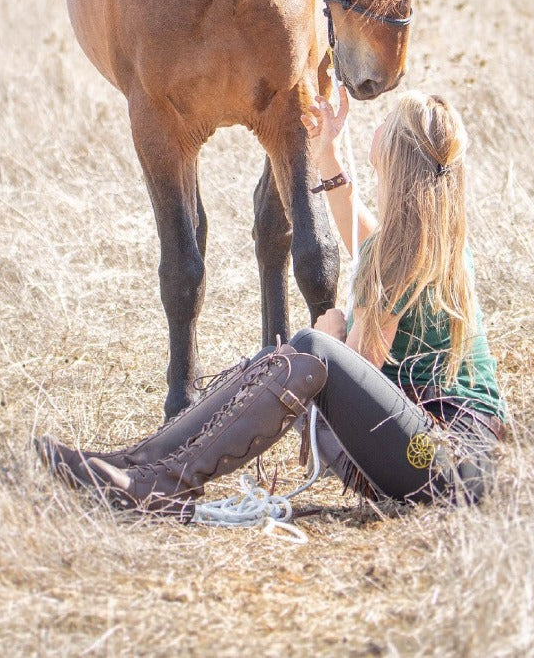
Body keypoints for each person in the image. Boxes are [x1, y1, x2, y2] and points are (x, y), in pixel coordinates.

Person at [37, 88, 505, 519]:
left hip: (443, 462)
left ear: (395, 158)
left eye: (387, 120)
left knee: (310, 348)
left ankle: (161, 484)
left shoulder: (403, 255)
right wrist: (327, 155)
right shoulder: (420, 239)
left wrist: (333, 334)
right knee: (279, 357)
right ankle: (137, 464)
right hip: (436, 457)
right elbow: (359, 240)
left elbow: (360, 365)